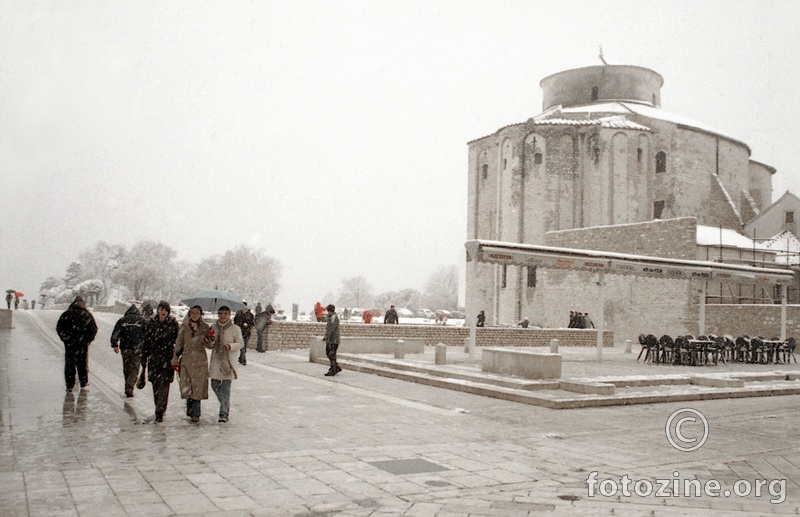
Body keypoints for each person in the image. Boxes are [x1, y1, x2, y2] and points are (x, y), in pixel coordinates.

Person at [140, 301, 179, 422]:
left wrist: (176, 355)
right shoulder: (150, 323)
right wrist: (144, 357)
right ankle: (159, 405)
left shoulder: (173, 324)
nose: (163, 312)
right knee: (155, 384)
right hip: (154, 357)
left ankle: (159, 410)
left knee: (164, 384)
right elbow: (146, 341)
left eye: (165, 310)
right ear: (158, 310)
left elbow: (177, 341)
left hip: (167, 357)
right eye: (161, 309)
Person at [206, 306, 243, 423]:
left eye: (225, 314)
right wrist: (210, 340)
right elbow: (210, 345)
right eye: (221, 313)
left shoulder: (235, 328)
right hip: (217, 360)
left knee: (226, 389)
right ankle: (225, 403)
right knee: (214, 385)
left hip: (228, 361)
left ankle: (224, 413)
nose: (223, 316)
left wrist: (230, 346)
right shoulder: (213, 327)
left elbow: (241, 343)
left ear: (229, 315)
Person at [174, 305, 210, 423]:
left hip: (200, 360)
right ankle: (190, 408)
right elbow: (179, 343)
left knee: (198, 387)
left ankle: (196, 413)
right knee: (187, 386)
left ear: (201, 314)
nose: (195, 315)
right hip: (186, 359)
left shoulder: (205, 327)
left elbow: (210, 345)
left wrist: (210, 339)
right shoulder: (184, 327)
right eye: (192, 313)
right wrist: (175, 358)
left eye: (197, 313)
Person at [56, 296, 98, 392]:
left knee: (70, 364)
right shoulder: (87, 315)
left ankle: (69, 384)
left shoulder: (66, 314)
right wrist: (88, 340)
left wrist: (65, 338)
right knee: (82, 363)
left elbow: (59, 327)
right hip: (82, 344)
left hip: (69, 343)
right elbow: (94, 329)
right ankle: (83, 382)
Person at [110, 304, 146, 398]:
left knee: (126, 367)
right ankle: (129, 386)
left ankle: (128, 384)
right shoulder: (142, 321)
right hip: (137, 348)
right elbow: (147, 335)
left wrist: (114, 344)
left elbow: (116, 333)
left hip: (125, 347)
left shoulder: (122, 321)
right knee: (134, 368)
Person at [323, 304, 341, 376]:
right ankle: (335, 367)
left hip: (334, 340)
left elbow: (331, 329)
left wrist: (327, 337)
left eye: (329, 311)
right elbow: (328, 329)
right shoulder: (331, 317)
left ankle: (333, 369)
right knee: (329, 353)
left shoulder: (334, 318)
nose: (328, 313)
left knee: (331, 354)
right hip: (331, 339)